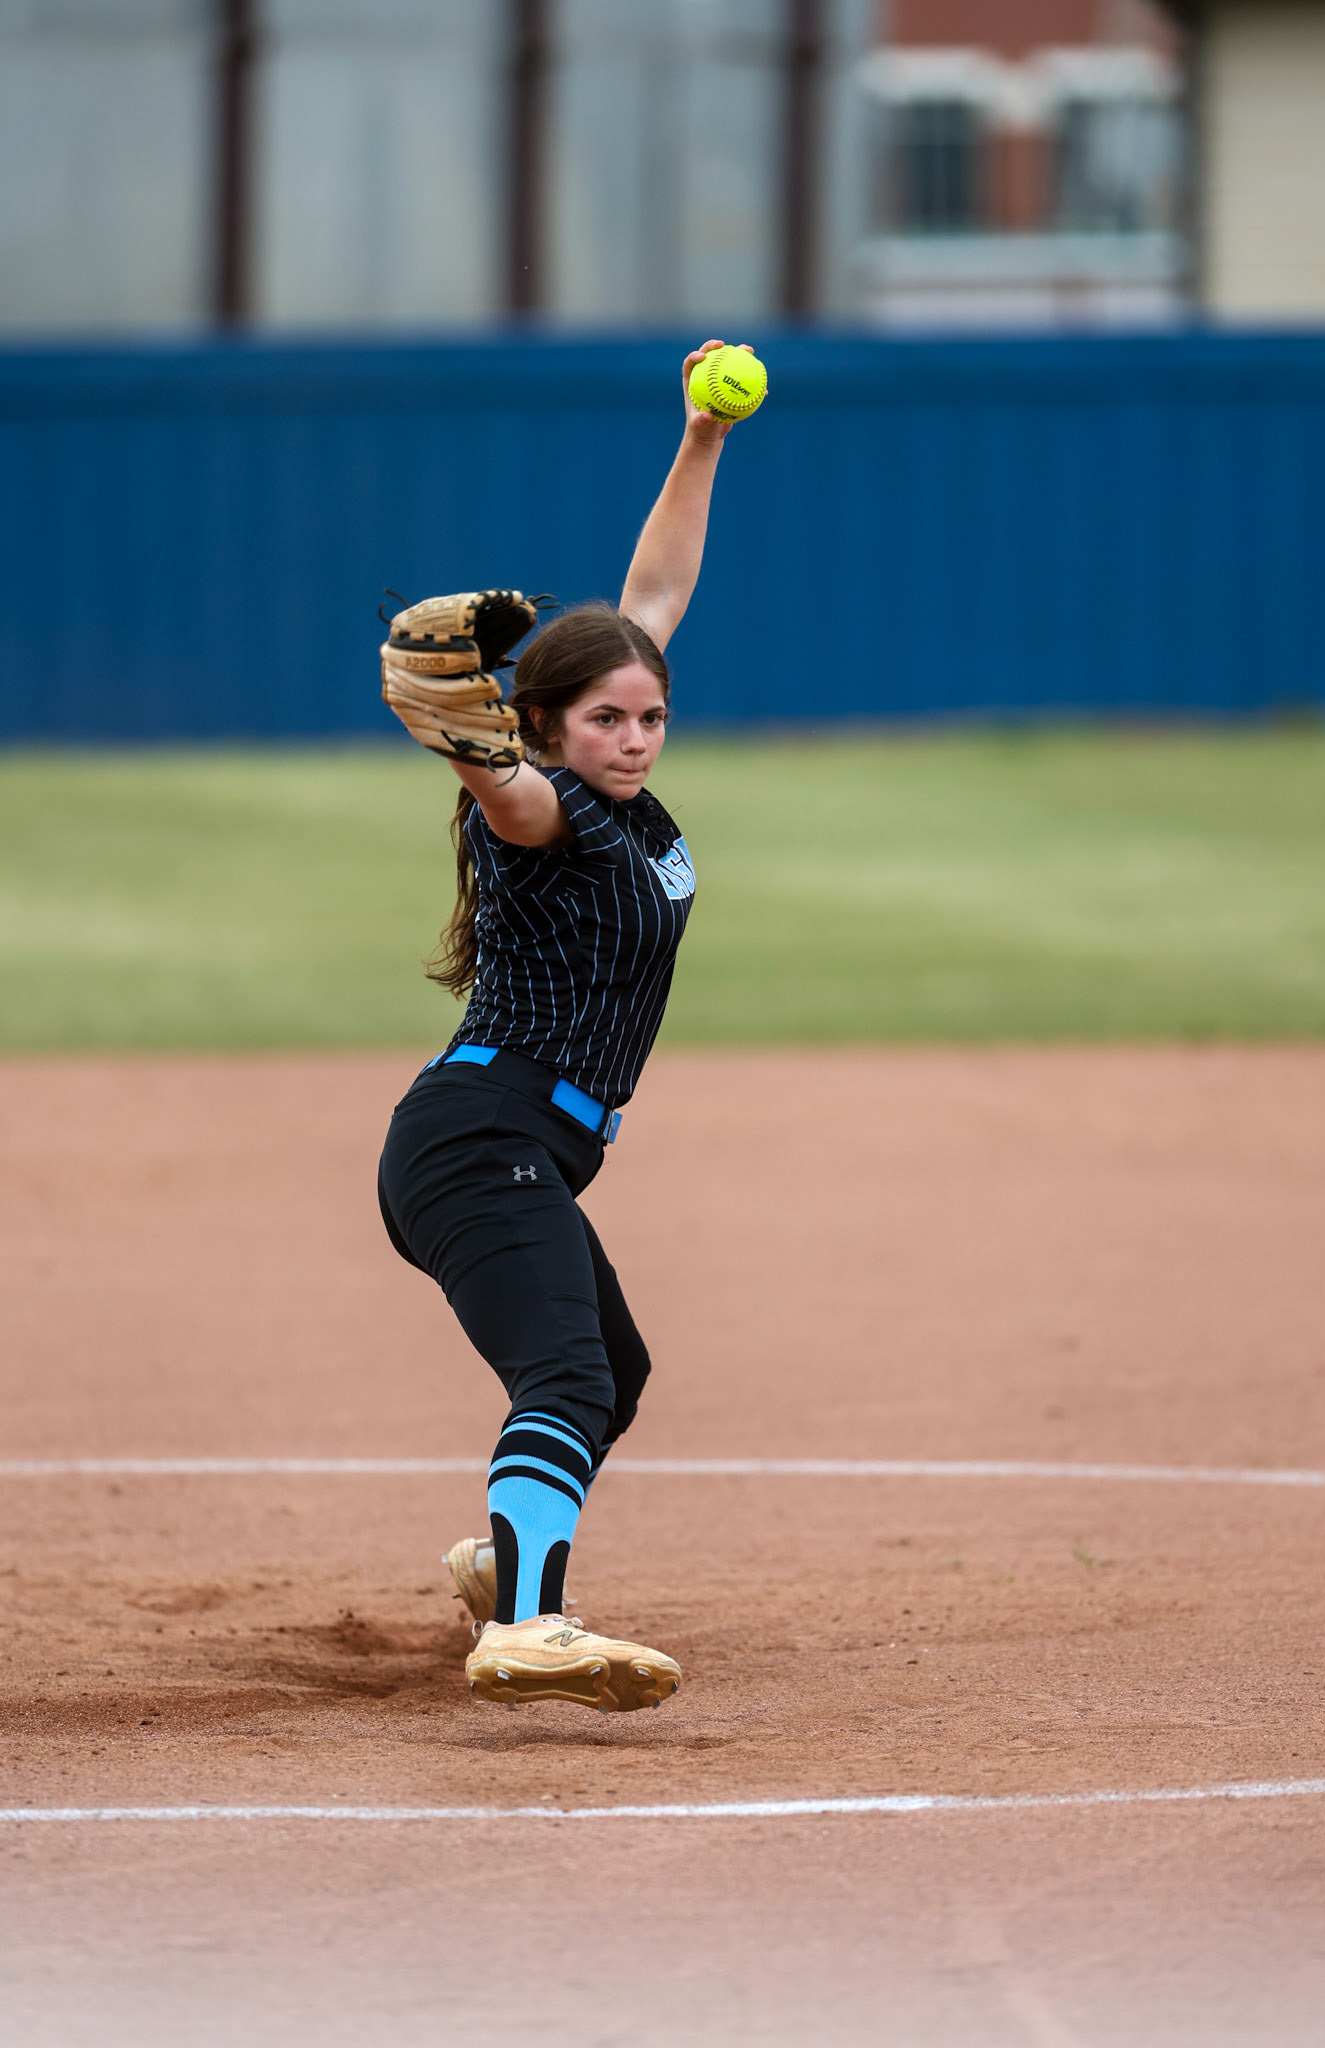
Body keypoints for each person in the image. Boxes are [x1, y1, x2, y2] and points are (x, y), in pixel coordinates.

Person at [377, 341, 752, 1713]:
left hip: (513, 1137)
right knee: (564, 1368)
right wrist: (466, 739)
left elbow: (651, 597)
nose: (637, 734)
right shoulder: (551, 809)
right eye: (606, 718)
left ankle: (497, 1563)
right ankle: (526, 1624)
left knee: (615, 1373)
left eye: (651, 714)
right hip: (479, 1136)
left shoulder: (626, 801)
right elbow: (506, 793)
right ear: (546, 726)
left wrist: (700, 440)